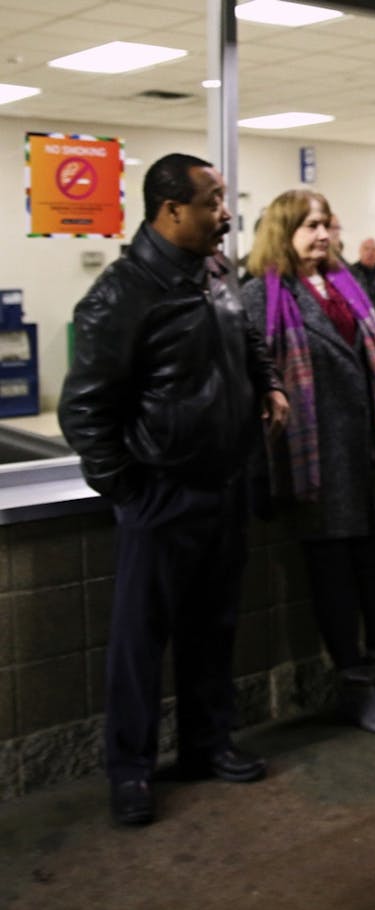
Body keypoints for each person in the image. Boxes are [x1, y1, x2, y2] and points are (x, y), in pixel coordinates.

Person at [58, 153, 289, 826]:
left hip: (223, 487)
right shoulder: (120, 296)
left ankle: (206, 746)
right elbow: (85, 413)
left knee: (211, 629)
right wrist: (131, 491)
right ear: (171, 211)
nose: (226, 213)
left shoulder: (215, 273)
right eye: (215, 201)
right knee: (140, 642)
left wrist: (269, 383)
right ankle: (129, 773)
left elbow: (247, 338)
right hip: (162, 496)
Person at [242, 189, 375, 736]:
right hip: (316, 463)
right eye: (308, 226)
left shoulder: (349, 286)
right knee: (334, 581)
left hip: (369, 458)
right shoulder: (262, 296)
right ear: (283, 231)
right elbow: (259, 378)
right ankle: (355, 682)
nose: (322, 235)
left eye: (326, 224)